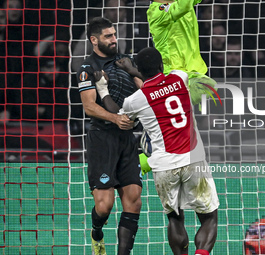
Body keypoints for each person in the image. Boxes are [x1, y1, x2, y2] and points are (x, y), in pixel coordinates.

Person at [113, 47, 219, 255]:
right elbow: (165, 79)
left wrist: (104, 90)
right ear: (161, 66)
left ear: (140, 71)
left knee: (175, 217)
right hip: (193, 159)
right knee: (209, 217)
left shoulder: (135, 100)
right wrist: (136, 71)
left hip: (163, 165)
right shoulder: (180, 78)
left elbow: (123, 120)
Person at [77, 17, 142, 255]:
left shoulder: (125, 61)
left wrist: (133, 71)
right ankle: (97, 233)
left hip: (128, 139)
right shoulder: (87, 68)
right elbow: (89, 107)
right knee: (104, 207)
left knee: (134, 200)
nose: (114, 40)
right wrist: (116, 119)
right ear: (94, 40)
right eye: (108, 36)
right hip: (102, 139)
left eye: (114, 35)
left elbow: (146, 89)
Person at [147, 0, 218, 105]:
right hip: (172, 72)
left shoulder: (179, 3)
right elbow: (182, 7)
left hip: (192, 71)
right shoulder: (157, 10)